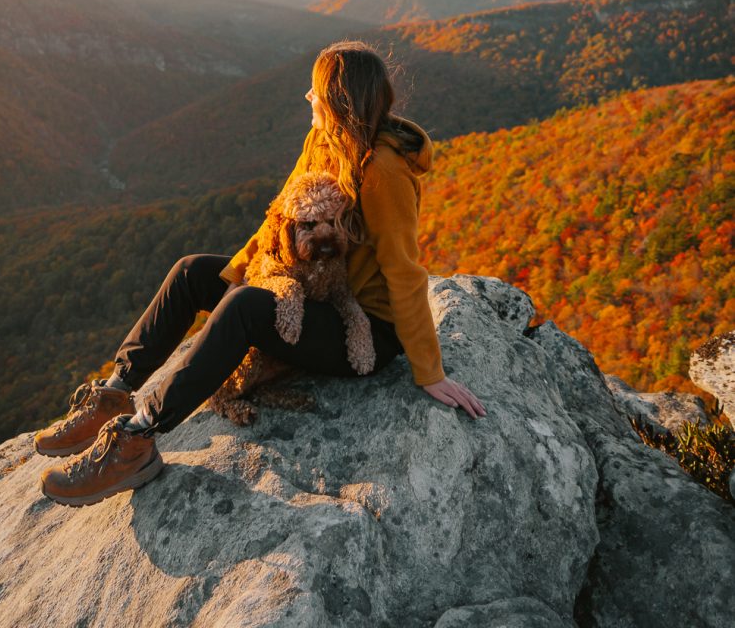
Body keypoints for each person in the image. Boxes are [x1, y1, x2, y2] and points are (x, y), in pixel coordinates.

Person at [36, 40, 487, 506]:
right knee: (192, 272)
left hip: (364, 328)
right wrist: (238, 273)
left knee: (245, 308)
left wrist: (429, 372)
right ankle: (116, 392)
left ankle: (137, 437)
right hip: (311, 290)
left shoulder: (384, 172)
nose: (307, 98)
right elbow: (279, 219)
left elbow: (405, 272)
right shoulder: (323, 142)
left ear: (337, 103)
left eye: (315, 92)